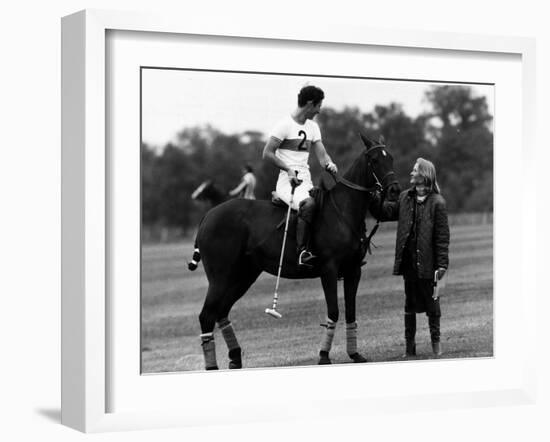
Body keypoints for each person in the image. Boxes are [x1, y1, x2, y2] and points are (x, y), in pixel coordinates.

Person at [371, 158, 450, 357]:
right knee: (409, 305)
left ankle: (436, 346)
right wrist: (373, 198)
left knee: (433, 305)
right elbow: (386, 212)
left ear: (424, 175)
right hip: (409, 264)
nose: (411, 173)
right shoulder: (405, 197)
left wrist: (442, 265)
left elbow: (442, 238)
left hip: (429, 264)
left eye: (415, 170)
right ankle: (410, 349)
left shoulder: (437, 203)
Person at [262, 85, 338, 266]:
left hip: (306, 183)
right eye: (319, 106)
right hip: (287, 183)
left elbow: (322, 155)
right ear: (311, 104)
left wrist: (329, 164)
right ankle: (301, 252)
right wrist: (288, 169)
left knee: (328, 205)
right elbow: (267, 153)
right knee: (309, 204)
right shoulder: (284, 125)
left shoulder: (313, 127)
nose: (320, 110)